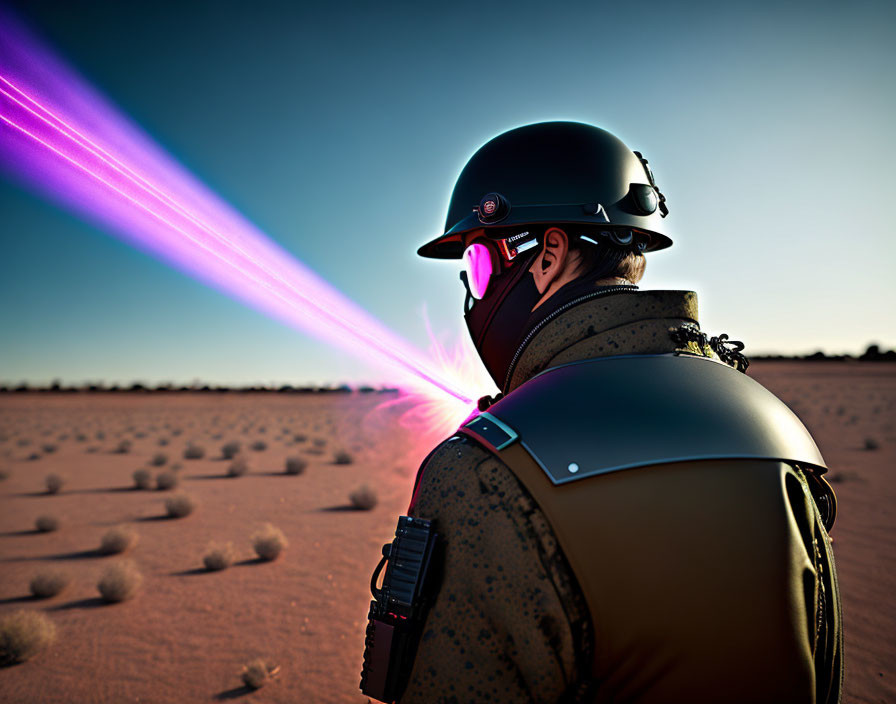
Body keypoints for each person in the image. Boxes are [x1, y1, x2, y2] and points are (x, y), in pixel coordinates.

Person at [364, 122, 842, 704]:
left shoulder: (483, 472)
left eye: (479, 264)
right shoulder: (772, 429)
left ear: (549, 256)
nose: (473, 292)